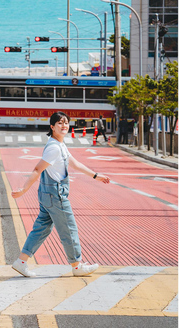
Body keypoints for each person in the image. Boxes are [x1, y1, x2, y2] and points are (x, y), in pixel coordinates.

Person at [10, 111, 111, 278]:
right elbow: (37, 169)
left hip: (48, 195)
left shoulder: (60, 145)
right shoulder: (54, 148)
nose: (64, 126)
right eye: (60, 123)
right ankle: (77, 265)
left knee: (41, 228)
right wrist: (23, 190)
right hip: (56, 195)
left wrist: (95, 175)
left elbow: (75, 164)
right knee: (69, 229)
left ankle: (21, 262)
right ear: (52, 127)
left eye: (66, 123)